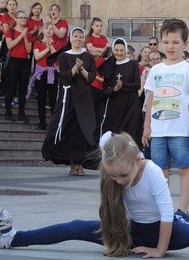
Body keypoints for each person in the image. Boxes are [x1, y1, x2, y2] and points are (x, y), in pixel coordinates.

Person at [0, 132, 189, 260]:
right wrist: (118, 235)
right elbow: (110, 211)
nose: (119, 181)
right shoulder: (114, 172)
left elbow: (166, 214)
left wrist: (160, 249)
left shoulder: (153, 171)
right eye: (114, 177)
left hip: (162, 229)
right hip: (129, 231)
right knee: (75, 227)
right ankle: (14, 238)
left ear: (135, 160)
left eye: (122, 175)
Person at [142, 18, 189, 224]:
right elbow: (150, 98)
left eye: (176, 42)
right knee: (160, 172)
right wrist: (146, 126)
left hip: (180, 129)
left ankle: (183, 211)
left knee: (184, 168)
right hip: (158, 130)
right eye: (166, 42)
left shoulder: (188, 69)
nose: (170, 46)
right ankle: (165, 211)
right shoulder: (156, 70)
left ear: (185, 44)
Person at [42, 27, 97, 176]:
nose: (78, 39)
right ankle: (73, 164)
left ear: (84, 39)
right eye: (75, 36)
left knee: (82, 131)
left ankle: (81, 163)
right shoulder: (64, 56)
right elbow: (65, 78)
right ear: (71, 38)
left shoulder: (89, 57)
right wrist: (75, 67)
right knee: (68, 130)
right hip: (69, 98)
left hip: (84, 98)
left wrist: (82, 69)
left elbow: (91, 78)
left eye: (81, 37)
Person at [98, 38, 143, 147]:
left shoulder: (132, 64)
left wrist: (123, 86)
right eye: (116, 50)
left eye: (122, 50)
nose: (119, 53)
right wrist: (113, 89)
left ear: (125, 50)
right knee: (115, 135)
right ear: (113, 50)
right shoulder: (110, 65)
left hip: (130, 104)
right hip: (115, 105)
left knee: (130, 133)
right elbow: (105, 89)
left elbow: (137, 85)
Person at [29, 22, 61, 130]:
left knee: (53, 99)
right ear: (43, 30)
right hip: (41, 73)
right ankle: (42, 123)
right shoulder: (37, 42)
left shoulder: (57, 43)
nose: (49, 30)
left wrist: (50, 46)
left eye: (51, 29)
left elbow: (57, 58)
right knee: (41, 99)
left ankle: (53, 124)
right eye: (46, 28)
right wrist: (46, 49)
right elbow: (37, 57)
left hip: (53, 73)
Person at [4, 9, 32, 123]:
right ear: (15, 19)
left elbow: (29, 50)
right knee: (11, 86)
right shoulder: (10, 31)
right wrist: (21, 36)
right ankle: (8, 112)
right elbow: (10, 45)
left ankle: (21, 113)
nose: (23, 20)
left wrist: (25, 36)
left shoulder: (28, 33)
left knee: (23, 88)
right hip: (13, 61)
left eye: (25, 18)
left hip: (25, 61)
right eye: (21, 17)